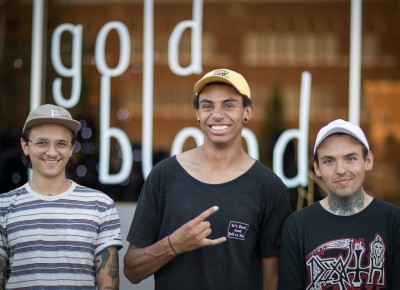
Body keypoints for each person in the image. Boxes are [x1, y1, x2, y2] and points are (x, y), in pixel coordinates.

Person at [123, 68, 292, 290]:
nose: (217, 114)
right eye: (207, 105)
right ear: (198, 114)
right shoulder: (164, 175)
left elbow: (272, 281)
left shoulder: (269, 187)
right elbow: (132, 271)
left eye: (229, 105)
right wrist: (174, 244)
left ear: (247, 112)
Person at [0, 104, 123, 289]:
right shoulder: (3, 207)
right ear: (25, 146)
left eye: (61, 143)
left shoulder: (101, 206)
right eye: (42, 142)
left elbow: (109, 285)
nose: (51, 152)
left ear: (72, 148)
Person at [278, 119, 400, 290]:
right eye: (329, 161)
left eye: (350, 158)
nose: (340, 170)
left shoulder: (394, 222)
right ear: (317, 168)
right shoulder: (297, 226)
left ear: (368, 161)